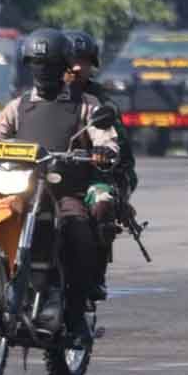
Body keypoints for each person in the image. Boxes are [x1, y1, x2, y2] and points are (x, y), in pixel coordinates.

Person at [0, 28, 118, 339]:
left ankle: (75, 313)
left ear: (63, 65)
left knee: (79, 234)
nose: (42, 70)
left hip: (63, 190)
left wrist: (103, 151)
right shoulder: (17, 106)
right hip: (17, 188)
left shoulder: (87, 104)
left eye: (50, 64)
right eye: (36, 63)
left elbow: (106, 139)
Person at [63, 29, 139, 300]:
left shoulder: (101, 103)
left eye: (82, 61)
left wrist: (106, 156)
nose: (75, 67)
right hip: (42, 175)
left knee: (101, 202)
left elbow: (120, 152)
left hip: (91, 175)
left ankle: (94, 274)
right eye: (70, 60)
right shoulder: (33, 99)